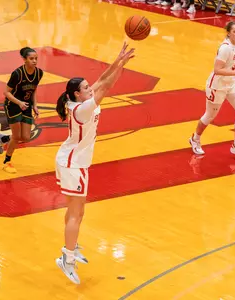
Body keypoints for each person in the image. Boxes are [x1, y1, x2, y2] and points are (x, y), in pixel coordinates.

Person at [54, 42, 135, 284]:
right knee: (76, 214)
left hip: (75, 161)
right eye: (86, 88)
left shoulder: (81, 99)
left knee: (77, 211)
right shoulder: (82, 109)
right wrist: (120, 66)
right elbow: (107, 86)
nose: (91, 88)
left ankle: (71, 245)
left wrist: (118, 60)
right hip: (73, 163)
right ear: (77, 94)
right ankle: (67, 260)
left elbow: (101, 79)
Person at [189, 21, 235, 159]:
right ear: (228, 33)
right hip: (217, 86)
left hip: (232, 84)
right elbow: (217, 70)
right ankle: (195, 139)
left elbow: (234, 62)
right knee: (210, 116)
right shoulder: (225, 48)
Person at [1, 47, 43, 173]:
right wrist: (19, 103)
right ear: (24, 60)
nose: (34, 61)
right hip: (13, 104)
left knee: (25, 137)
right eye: (31, 59)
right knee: (17, 136)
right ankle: (7, 161)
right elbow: (6, 92)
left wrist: (35, 105)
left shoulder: (39, 73)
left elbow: (33, 89)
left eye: (36, 58)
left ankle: (4, 139)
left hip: (27, 105)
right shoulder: (17, 74)